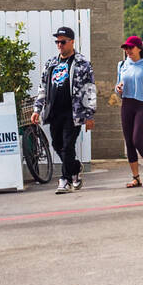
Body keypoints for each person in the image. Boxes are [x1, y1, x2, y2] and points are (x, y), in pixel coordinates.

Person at [31, 26, 96, 193]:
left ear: (72, 42)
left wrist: (89, 115)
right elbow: (42, 88)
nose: (59, 45)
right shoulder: (51, 63)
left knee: (68, 146)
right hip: (54, 112)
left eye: (63, 42)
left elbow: (89, 88)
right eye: (57, 42)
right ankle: (74, 169)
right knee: (57, 143)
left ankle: (64, 180)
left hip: (73, 112)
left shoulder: (82, 63)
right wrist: (37, 110)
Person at [115, 36, 143, 187]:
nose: (128, 51)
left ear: (139, 48)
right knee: (129, 142)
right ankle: (136, 177)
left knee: (137, 139)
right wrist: (118, 89)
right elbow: (118, 87)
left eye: (131, 47)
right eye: (126, 48)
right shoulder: (122, 65)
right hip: (127, 104)